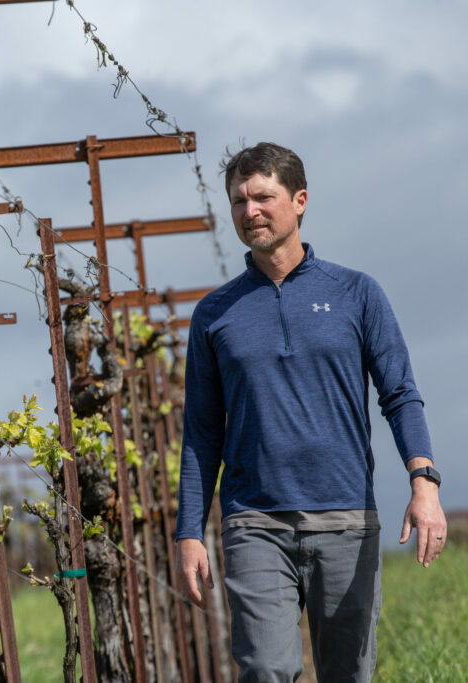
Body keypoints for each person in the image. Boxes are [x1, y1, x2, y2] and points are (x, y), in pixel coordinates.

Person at [175, 142, 446, 682]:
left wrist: (424, 483)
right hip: (254, 522)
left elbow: (400, 394)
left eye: (262, 197)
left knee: (348, 674)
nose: (249, 211)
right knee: (267, 670)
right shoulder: (213, 314)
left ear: (299, 201)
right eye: (238, 201)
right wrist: (189, 530)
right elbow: (202, 431)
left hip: (346, 518)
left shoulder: (356, 293)